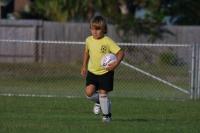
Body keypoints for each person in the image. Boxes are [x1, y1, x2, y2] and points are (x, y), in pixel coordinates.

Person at [81, 15, 124, 123]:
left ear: (104, 29)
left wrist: (115, 64)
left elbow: (121, 53)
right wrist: (84, 66)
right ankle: (99, 102)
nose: (95, 31)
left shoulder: (107, 41)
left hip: (105, 72)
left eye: (98, 29)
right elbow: (86, 52)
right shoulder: (88, 40)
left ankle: (107, 116)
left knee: (103, 93)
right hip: (92, 72)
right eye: (92, 28)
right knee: (89, 93)